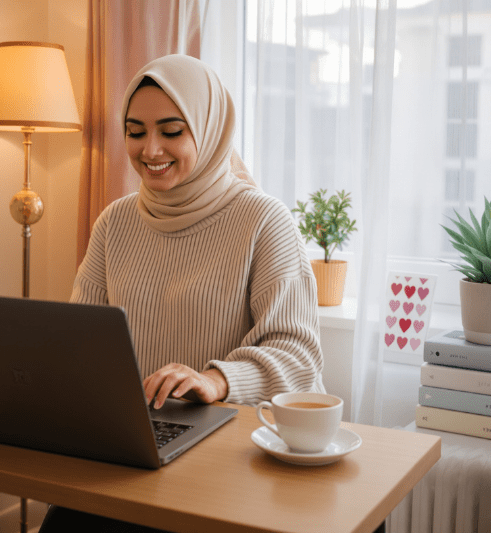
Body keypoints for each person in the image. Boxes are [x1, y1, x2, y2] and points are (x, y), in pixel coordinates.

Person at [39, 54, 325, 532]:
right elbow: (80, 340)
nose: (150, 149)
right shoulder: (115, 222)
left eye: (172, 131)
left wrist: (216, 380)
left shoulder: (263, 220)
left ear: (210, 131)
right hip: (131, 454)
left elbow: (299, 357)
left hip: (231, 462)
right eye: (135, 131)